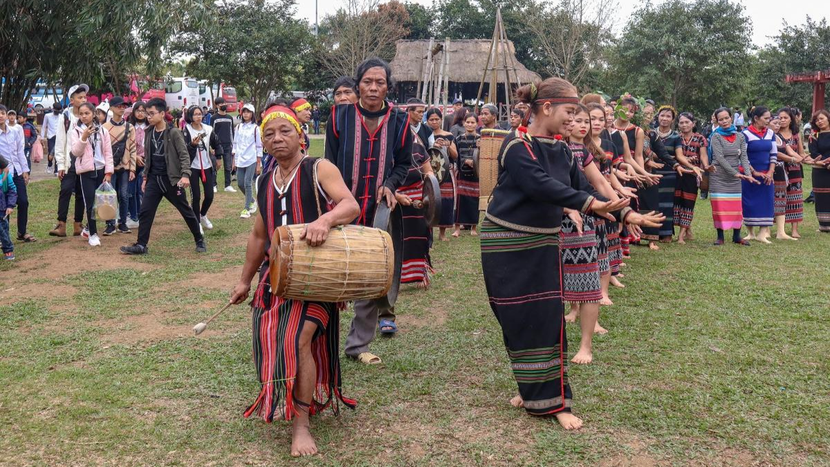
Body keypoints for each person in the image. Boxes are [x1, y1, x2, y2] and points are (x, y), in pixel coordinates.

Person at [480, 77, 630, 430]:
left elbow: (580, 185)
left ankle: (552, 402)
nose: (573, 119)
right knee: (517, 320)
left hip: (543, 242)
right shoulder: (517, 145)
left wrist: (625, 213)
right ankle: (531, 389)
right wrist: (591, 204)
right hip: (505, 242)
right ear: (546, 108)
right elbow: (540, 185)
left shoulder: (562, 150)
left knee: (548, 319)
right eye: (569, 111)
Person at [229, 104, 360, 458]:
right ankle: (283, 399)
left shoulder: (319, 168)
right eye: (269, 134)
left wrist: (326, 221)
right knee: (270, 338)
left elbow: (350, 205)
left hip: (317, 277)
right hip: (275, 278)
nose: (277, 139)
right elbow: (259, 235)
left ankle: (301, 424)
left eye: (284, 131)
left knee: (299, 338)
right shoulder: (262, 180)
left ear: (299, 135)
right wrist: (244, 281)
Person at [325, 57, 413, 363]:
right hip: (341, 206)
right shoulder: (339, 117)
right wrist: (332, 203)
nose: (374, 88)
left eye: (380, 82)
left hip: (378, 209)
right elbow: (328, 164)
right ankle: (321, 338)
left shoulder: (400, 120)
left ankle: (358, 345)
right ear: (357, 84)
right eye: (367, 82)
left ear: (388, 86)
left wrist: (390, 184)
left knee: (370, 272)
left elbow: (404, 163)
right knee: (334, 270)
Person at [120, 98, 206, 255]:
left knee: (185, 210)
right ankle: (141, 245)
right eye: (147, 114)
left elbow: (184, 155)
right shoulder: (149, 132)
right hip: (154, 179)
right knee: (146, 211)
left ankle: (199, 239)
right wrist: (145, 178)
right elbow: (148, 157)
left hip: (171, 180)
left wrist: (185, 175)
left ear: (162, 113)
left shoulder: (174, 133)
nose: (148, 117)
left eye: (152, 113)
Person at [396, 108, 435, 288]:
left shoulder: (417, 144)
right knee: (395, 238)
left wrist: (430, 189)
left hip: (417, 197)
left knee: (419, 236)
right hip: (392, 198)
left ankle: (419, 275)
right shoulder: (387, 145)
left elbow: (428, 170)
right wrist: (395, 195)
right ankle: (394, 277)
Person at [709, 107, 758, 245]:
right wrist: (736, 173)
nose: (724, 121)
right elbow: (719, 158)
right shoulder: (716, 136)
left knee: (736, 207)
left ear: (731, 118)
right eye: (721, 119)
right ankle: (720, 237)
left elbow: (744, 157)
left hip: (736, 178)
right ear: (717, 121)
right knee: (719, 206)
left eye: (726, 118)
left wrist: (748, 175)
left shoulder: (740, 136)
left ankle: (737, 236)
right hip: (719, 175)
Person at [69, 102, 114, 246]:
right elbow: (76, 152)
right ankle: (93, 234)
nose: (84, 116)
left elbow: (108, 152)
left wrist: (108, 172)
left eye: (87, 113)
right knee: (90, 203)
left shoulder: (102, 131)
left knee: (100, 202)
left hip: (100, 169)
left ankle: (89, 228)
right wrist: (84, 137)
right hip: (86, 171)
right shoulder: (75, 131)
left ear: (93, 114)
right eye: (81, 114)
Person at [50, 84, 89, 238]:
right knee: (65, 190)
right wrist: (60, 164)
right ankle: (61, 224)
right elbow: (60, 142)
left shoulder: (87, 116)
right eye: (80, 97)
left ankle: (78, 224)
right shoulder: (65, 117)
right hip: (69, 161)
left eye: (84, 97)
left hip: (85, 160)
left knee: (81, 193)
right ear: (72, 100)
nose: (83, 99)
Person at [183, 105, 224, 230]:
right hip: (193, 167)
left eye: (200, 114)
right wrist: (192, 144)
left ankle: (203, 215)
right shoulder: (187, 130)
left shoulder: (208, 129)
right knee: (196, 196)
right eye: (195, 114)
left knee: (210, 195)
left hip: (206, 165)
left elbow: (217, 143)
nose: (198, 116)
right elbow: (184, 149)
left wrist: (218, 158)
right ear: (190, 116)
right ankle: (197, 223)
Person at [741, 106, 777, 244]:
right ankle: (750, 232)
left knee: (766, 201)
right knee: (749, 202)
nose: (769, 121)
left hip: (767, 173)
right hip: (749, 173)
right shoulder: (745, 134)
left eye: (770, 118)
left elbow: (773, 154)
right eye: (766, 118)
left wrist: (770, 172)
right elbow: (743, 155)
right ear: (756, 118)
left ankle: (763, 233)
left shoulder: (770, 134)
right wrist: (753, 172)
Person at [102, 97, 137, 235]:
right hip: (109, 168)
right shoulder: (104, 128)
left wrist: (132, 168)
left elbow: (133, 148)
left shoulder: (129, 127)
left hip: (125, 167)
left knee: (124, 195)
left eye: (124, 106)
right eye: (118, 106)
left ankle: (122, 223)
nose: (122, 108)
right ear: (111, 108)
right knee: (110, 196)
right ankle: (110, 224)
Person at [673, 112, 709, 244]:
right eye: (681, 122)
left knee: (688, 203)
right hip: (677, 173)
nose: (684, 125)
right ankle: (686, 229)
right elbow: (675, 155)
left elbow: (703, 155)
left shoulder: (700, 138)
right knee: (677, 202)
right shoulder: (676, 137)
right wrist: (686, 159)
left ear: (693, 124)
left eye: (687, 122)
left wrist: (706, 166)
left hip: (693, 175)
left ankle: (681, 236)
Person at [0, 106, 34, 244]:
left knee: (23, 202)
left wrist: (25, 170)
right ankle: (4, 236)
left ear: (7, 115)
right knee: (3, 206)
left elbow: (20, 151)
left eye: (2, 113)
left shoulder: (14, 131)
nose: (1, 116)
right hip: (2, 175)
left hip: (17, 171)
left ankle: (22, 232)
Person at [654, 106, 685, 242]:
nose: (664, 119)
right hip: (652, 173)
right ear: (658, 117)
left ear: (672, 120)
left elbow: (679, 155)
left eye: (668, 116)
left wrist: (688, 165)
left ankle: (666, 234)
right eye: (662, 115)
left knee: (667, 204)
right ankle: (652, 233)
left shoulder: (676, 136)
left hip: (669, 174)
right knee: (653, 202)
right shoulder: (650, 133)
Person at [426, 108, 458, 241]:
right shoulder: (425, 134)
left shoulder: (449, 135)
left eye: (437, 119)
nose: (434, 122)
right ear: (427, 121)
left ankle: (442, 233)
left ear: (441, 120)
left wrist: (448, 145)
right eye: (431, 120)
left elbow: (455, 156)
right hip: (429, 171)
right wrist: (432, 145)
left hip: (445, 173)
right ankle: (429, 232)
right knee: (430, 201)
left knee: (445, 200)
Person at [774, 108, 804, 239]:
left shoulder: (796, 134)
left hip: (795, 170)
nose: (782, 120)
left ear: (791, 119)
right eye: (780, 118)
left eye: (785, 117)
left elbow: (801, 152)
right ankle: (780, 229)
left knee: (795, 197)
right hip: (779, 169)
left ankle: (794, 229)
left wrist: (805, 159)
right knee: (779, 198)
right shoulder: (774, 133)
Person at [233, 103, 263, 218]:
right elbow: (235, 144)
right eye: (244, 112)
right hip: (240, 159)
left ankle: (246, 209)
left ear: (252, 114)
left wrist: (258, 163)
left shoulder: (256, 128)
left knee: (247, 183)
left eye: (248, 112)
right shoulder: (238, 127)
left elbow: (258, 146)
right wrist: (234, 160)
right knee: (240, 183)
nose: (246, 114)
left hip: (251, 159)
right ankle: (251, 200)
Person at [454, 113, 480, 237]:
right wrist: (464, 162)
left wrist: (474, 162)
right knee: (460, 201)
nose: (470, 124)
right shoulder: (458, 139)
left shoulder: (480, 139)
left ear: (477, 124)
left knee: (474, 201)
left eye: (472, 122)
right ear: (464, 123)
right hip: (462, 174)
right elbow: (456, 156)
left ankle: (473, 227)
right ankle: (457, 228)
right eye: (468, 122)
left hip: (476, 175)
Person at [805, 109, 830, 233]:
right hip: (820, 171)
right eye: (816, 120)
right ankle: (824, 225)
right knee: (821, 197)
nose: (819, 122)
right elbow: (814, 153)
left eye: (821, 118)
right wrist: (827, 164)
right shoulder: (814, 136)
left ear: (828, 118)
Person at [127, 101, 147, 229]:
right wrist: (135, 157)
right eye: (138, 110)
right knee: (131, 190)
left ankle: (142, 215)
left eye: (143, 111)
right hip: (132, 162)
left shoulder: (150, 127)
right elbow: (127, 146)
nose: (140, 113)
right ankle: (132, 215)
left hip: (147, 162)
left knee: (143, 190)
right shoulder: (129, 127)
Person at [212, 97, 236, 192]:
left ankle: (228, 185)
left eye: (224, 103)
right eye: (221, 104)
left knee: (228, 166)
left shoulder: (229, 118)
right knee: (215, 165)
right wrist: (212, 146)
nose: (223, 105)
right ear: (217, 106)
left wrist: (233, 145)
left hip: (228, 145)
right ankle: (214, 185)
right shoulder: (214, 118)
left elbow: (231, 132)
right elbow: (212, 132)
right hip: (217, 146)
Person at [0, 167, 16, 260]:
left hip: (2, 207)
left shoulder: (6, 176)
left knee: (3, 229)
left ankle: (8, 250)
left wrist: (10, 205)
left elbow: (12, 190)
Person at [42, 102, 61, 173]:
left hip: (59, 136)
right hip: (50, 136)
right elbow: (44, 126)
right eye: (56, 110)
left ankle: (56, 170)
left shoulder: (61, 116)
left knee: (57, 153)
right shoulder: (47, 116)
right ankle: (50, 164)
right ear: (53, 109)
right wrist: (42, 137)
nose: (57, 112)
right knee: (50, 153)